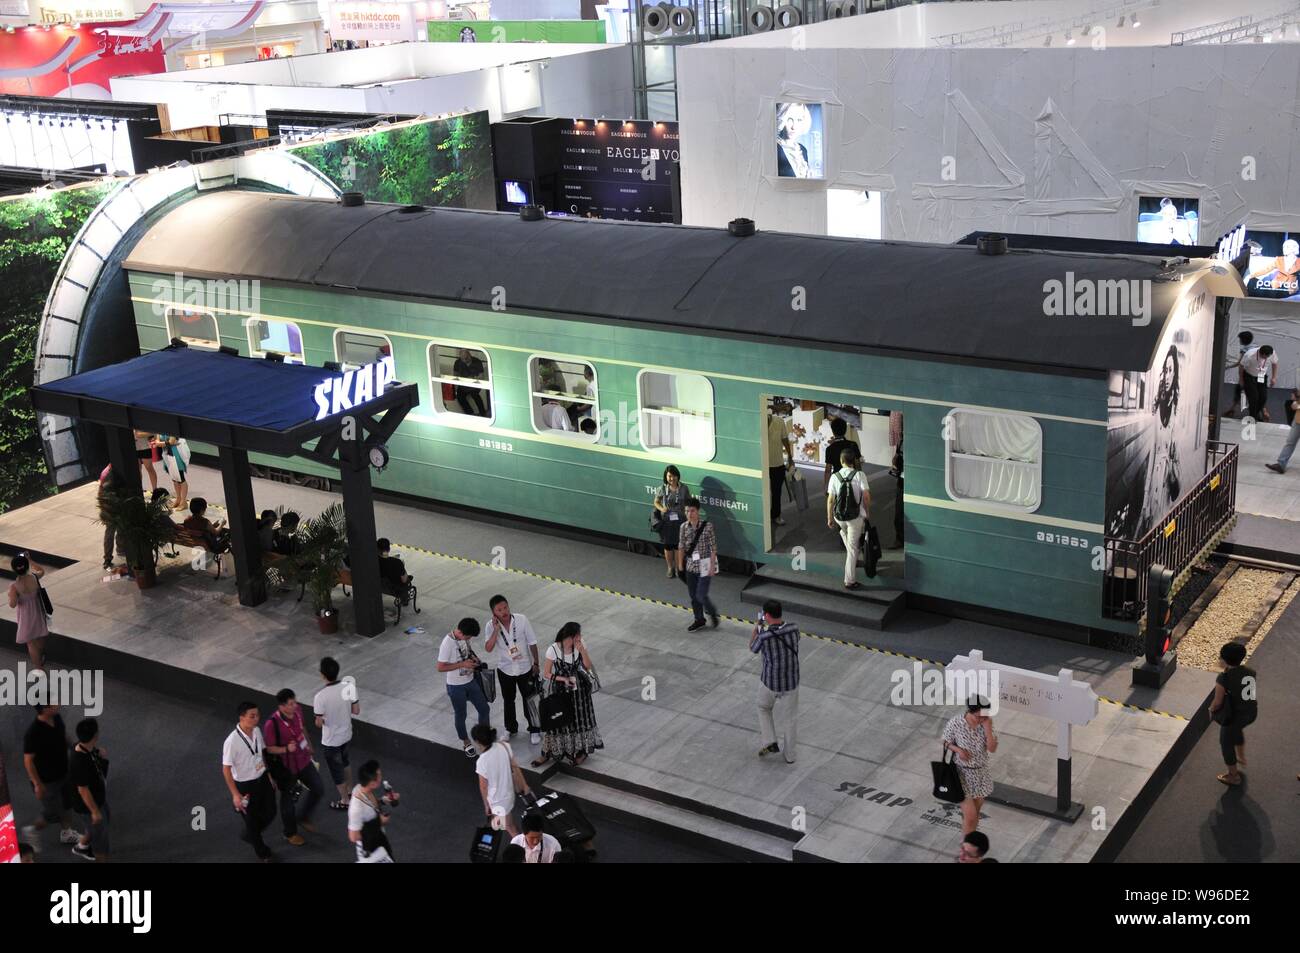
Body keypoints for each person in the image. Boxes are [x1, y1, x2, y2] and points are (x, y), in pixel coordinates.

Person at [533, 622, 602, 768]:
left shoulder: (580, 644)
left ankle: (581, 751)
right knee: (559, 721)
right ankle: (549, 752)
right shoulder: (553, 649)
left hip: (580, 693)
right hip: (561, 692)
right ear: (569, 636)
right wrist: (563, 679)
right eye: (577, 636)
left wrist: (582, 651)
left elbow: (588, 666)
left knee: (580, 721)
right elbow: (546, 673)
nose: (580, 638)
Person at [263, 689, 326, 846]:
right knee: (287, 802)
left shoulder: (297, 711)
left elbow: (302, 728)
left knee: (318, 788)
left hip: (303, 760)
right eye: (290, 704)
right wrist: (285, 749)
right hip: (286, 768)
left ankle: (303, 816)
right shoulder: (271, 724)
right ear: (282, 706)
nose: (294, 706)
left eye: (294, 702)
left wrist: (309, 745)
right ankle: (290, 833)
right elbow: (269, 748)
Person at [221, 701, 277, 862]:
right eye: (252, 716)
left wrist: (269, 776)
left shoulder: (257, 731)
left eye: (257, 715)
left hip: (262, 778)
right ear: (242, 717)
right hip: (245, 786)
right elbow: (226, 769)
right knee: (252, 821)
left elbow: (262, 754)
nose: (256, 719)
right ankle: (263, 853)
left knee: (271, 811)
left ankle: (250, 833)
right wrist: (235, 795)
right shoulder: (231, 741)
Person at [20, 704, 79, 852]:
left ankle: (66, 833)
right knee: (52, 813)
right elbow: (28, 761)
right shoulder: (33, 733)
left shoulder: (56, 718)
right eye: (53, 703)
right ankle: (32, 830)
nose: (58, 704)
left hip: (63, 773)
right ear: (45, 709)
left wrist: (74, 747)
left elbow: (63, 735)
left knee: (67, 804)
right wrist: (37, 784)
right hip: (47, 782)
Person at [483, 594, 541, 744]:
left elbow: (532, 642)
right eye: (499, 610)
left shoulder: (521, 620)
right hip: (505, 669)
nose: (504, 611)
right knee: (508, 700)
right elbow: (488, 648)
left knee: (529, 700)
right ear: (494, 612)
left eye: (505, 607)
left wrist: (536, 663)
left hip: (525, 668)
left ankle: (534, 729)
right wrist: (496, 630)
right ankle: (510, 728)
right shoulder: (490, 626)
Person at [749, 599, 800, 764]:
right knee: (790, 719)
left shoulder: (764, 636)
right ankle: (790, 756)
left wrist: (756, 629)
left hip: (770, 682)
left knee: (763, 707)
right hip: (791, 682)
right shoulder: (794, 628)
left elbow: (753, 648)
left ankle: (770, 741)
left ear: (766, 615)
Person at [942, 697, 998, 835]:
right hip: (961, 774)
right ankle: (966, 849)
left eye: (984, 715)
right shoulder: (956, 722)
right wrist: (958, 750)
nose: (981, 718)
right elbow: (945, 741)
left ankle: (968, 844)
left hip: (980, 774)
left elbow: (992, 748)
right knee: (971, 816)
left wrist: (988, 729)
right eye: (978, 716)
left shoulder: (986, 723)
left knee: (974, 817)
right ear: (971, 711)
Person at [437, 618, 491, 758]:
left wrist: (474, 659)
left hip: (470, 681)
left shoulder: (464, 638)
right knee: (461, 715)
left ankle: (483, 739)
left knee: (484, 708)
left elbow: (468, 651)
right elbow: (440, 667)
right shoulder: (447, 644)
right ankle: (466, 742)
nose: (469, 639)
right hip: (456, 686)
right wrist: (462, 665)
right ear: (460, 632)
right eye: (468, 636)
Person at [1208, 642, 1258, 787]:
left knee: (1226, 743)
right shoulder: (1251, 672)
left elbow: (1217, 702)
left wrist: (1211, 709)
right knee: (1237, 730)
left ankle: (1233, 776)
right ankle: (1241, 757)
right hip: (1250, 713)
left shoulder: (1224, 678)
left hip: (1233, 717)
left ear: (1224, 659)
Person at [314, 657, 360, 811]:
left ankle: (344, 800)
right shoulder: (349, 687)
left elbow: (319, 723)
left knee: (336, 770)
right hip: (346, 734)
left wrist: (323, 721)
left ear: (322, 675)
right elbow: (356, 711)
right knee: (346, 762)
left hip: (331, 740)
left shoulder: (320, 696)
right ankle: (350, 791)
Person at [472, 724, 531, 837]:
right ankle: (497, 824)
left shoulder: (482, 762)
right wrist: (524, 785)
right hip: (509, 793)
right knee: (502, 822)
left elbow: (483, 787)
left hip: (498, 800)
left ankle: (523, 848)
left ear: (478, 741)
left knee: (510, 827)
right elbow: (515, 767)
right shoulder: (503, 746)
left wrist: (486, 805)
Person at [827, 445, 871, 589]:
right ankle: (849, 581)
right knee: (852, 549)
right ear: (854, 461)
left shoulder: (835, 476)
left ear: (841, 461)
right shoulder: (860, 475)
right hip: (855, 517)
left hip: (839, 516)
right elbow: (866, 496)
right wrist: (867, 511)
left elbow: (830, 500)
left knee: (846, 536)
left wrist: (829, 518)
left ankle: (852, 552)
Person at [68, 718, 109, 861]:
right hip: (89, 806)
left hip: (97, 798)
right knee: (100, 842)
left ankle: (81, 847)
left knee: (99, 826)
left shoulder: (84, 748)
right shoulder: (80, 761)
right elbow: (83, 790)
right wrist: (95, 812)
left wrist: (98, 753)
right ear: (95, 735)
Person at [678, 498, 720, 631]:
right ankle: (699, 619)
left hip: (705, 565)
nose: (689, 514)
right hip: (690, 566)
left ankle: (712, 612)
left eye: (692, 510)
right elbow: (681, 546)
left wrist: (712, 566)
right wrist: (680, 565)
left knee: (700, 595)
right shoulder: (683, 527)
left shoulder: (708, 526)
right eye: (687, 511)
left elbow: (713, 548)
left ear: (698, 511)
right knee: (693, 596)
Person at [348, 760, 399, 862]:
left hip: (378, 837)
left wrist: (384, 801)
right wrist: (379, 822)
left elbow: (370, 807)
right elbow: (353, 836)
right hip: (370, 848)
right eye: (379, 775)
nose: (381, 777)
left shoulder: (360, 788)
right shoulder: (356, 808)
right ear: (372, 783)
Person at [7, 554, 48, 669]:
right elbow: (42, 570)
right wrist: (30, 560)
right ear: (26, 566)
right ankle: (41, 656)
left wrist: (10, 595)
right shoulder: (34, 578)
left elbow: (12, 604)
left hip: (26, 617)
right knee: (39, 637)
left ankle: (39, 668)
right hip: (38, 612)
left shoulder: (14, 586)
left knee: (31, 643)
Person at [653, 465, 689, 578]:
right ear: (666, 477)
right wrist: (661, 508)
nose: (671, 478)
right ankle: (670, 568)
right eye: (669, 476)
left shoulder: (684, 488)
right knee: (668, 546)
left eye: (673, 476)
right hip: (667, 522)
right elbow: (656, 502)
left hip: (680, 521)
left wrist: (689, 517)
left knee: (678, 546)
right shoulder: (662, 489)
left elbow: (688, 503)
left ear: (677, 476)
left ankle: (679, 568)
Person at [766, 405, 793, 527]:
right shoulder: (756, 422)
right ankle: (765, 515)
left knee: (777, 492)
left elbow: (785, 439)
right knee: (764, 492)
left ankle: (776, 515)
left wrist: (790, 457)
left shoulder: (779, 421)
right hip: (762, 464)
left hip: (777, 463)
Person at [1240, 343, 1278, 422]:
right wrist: (1241, 379)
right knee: (1254, 397)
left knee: (1263, 397)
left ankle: (1256, 413)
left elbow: (1275, 364)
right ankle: (1252, 417)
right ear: (1261, 353)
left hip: (1261, 375)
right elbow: (1241, 366)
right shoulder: (1249, 355)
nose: (1267, 358)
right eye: (1265, 357)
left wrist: (1274, 377)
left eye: (1268, 357)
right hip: (1249, 376)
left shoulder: (1272, 353)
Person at [1265, 390, 1300, 474]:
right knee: (1290, 442)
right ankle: (1281, 464)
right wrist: (1295, 402)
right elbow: (1295, 404)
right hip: (1298, 420)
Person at [97, 464, 125, 571]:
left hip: (110, 503)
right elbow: (103, 490)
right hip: (109, 505)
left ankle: (120, 549)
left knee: (118, 528)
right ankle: (107, 558)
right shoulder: (109, 473)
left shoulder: (107, 471)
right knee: (110, 531)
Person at [776, 102, 813, 178]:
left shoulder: (803, 149)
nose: (794, 127)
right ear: (782, 119)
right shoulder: (773, 149)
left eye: (799, 120)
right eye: (790, 119)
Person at [1223, 331, 1254, 418]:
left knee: (1240, 391)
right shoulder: (1254, 348)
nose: (1239, 341)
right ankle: (1232, 409)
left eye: (1240, 339)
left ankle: (1232, 410)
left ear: (1243, 340)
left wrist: (1228, 367)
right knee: (1251, 392)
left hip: (1245, 374)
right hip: (1253, 374)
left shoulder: (1244, 350)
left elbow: (1240, 363)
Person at [154, 433, 189, 511]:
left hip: (176, 454)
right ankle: (178, 498)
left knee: (181, 478)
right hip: (166, 454)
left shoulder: (172, 427)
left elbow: (172, 441)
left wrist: (161, 443)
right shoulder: (159, 428)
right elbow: (158, 440)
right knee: (174, 478)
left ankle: (184, 502)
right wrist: (164, 443)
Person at [822, 417, 858, 490]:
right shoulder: (853, 445)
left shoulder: (830, 449)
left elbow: (828, 470)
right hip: (852, 479)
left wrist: (826, 487)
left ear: (833, 431)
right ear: (845, 430)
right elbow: (858, 465)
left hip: (837, 479)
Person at [453, 348, 489, 417]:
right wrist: (461, 381)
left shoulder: (477, 361)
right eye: (463, 359)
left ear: (469, 355)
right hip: (463, 385)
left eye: (466, 358)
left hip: (474, 385)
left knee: (475, 394)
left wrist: (473, 379)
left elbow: (481, 376)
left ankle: (483, 413)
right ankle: (470, 413)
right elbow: (455, 375)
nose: (465, 360)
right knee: (459, 396)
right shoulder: (457, 362)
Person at [888, 448, 905, 549]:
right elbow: (895, 459)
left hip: (912, 481)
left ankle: (901, 540)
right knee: (899, 514)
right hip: (901, 482)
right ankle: (900, 540)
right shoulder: (901, 442)